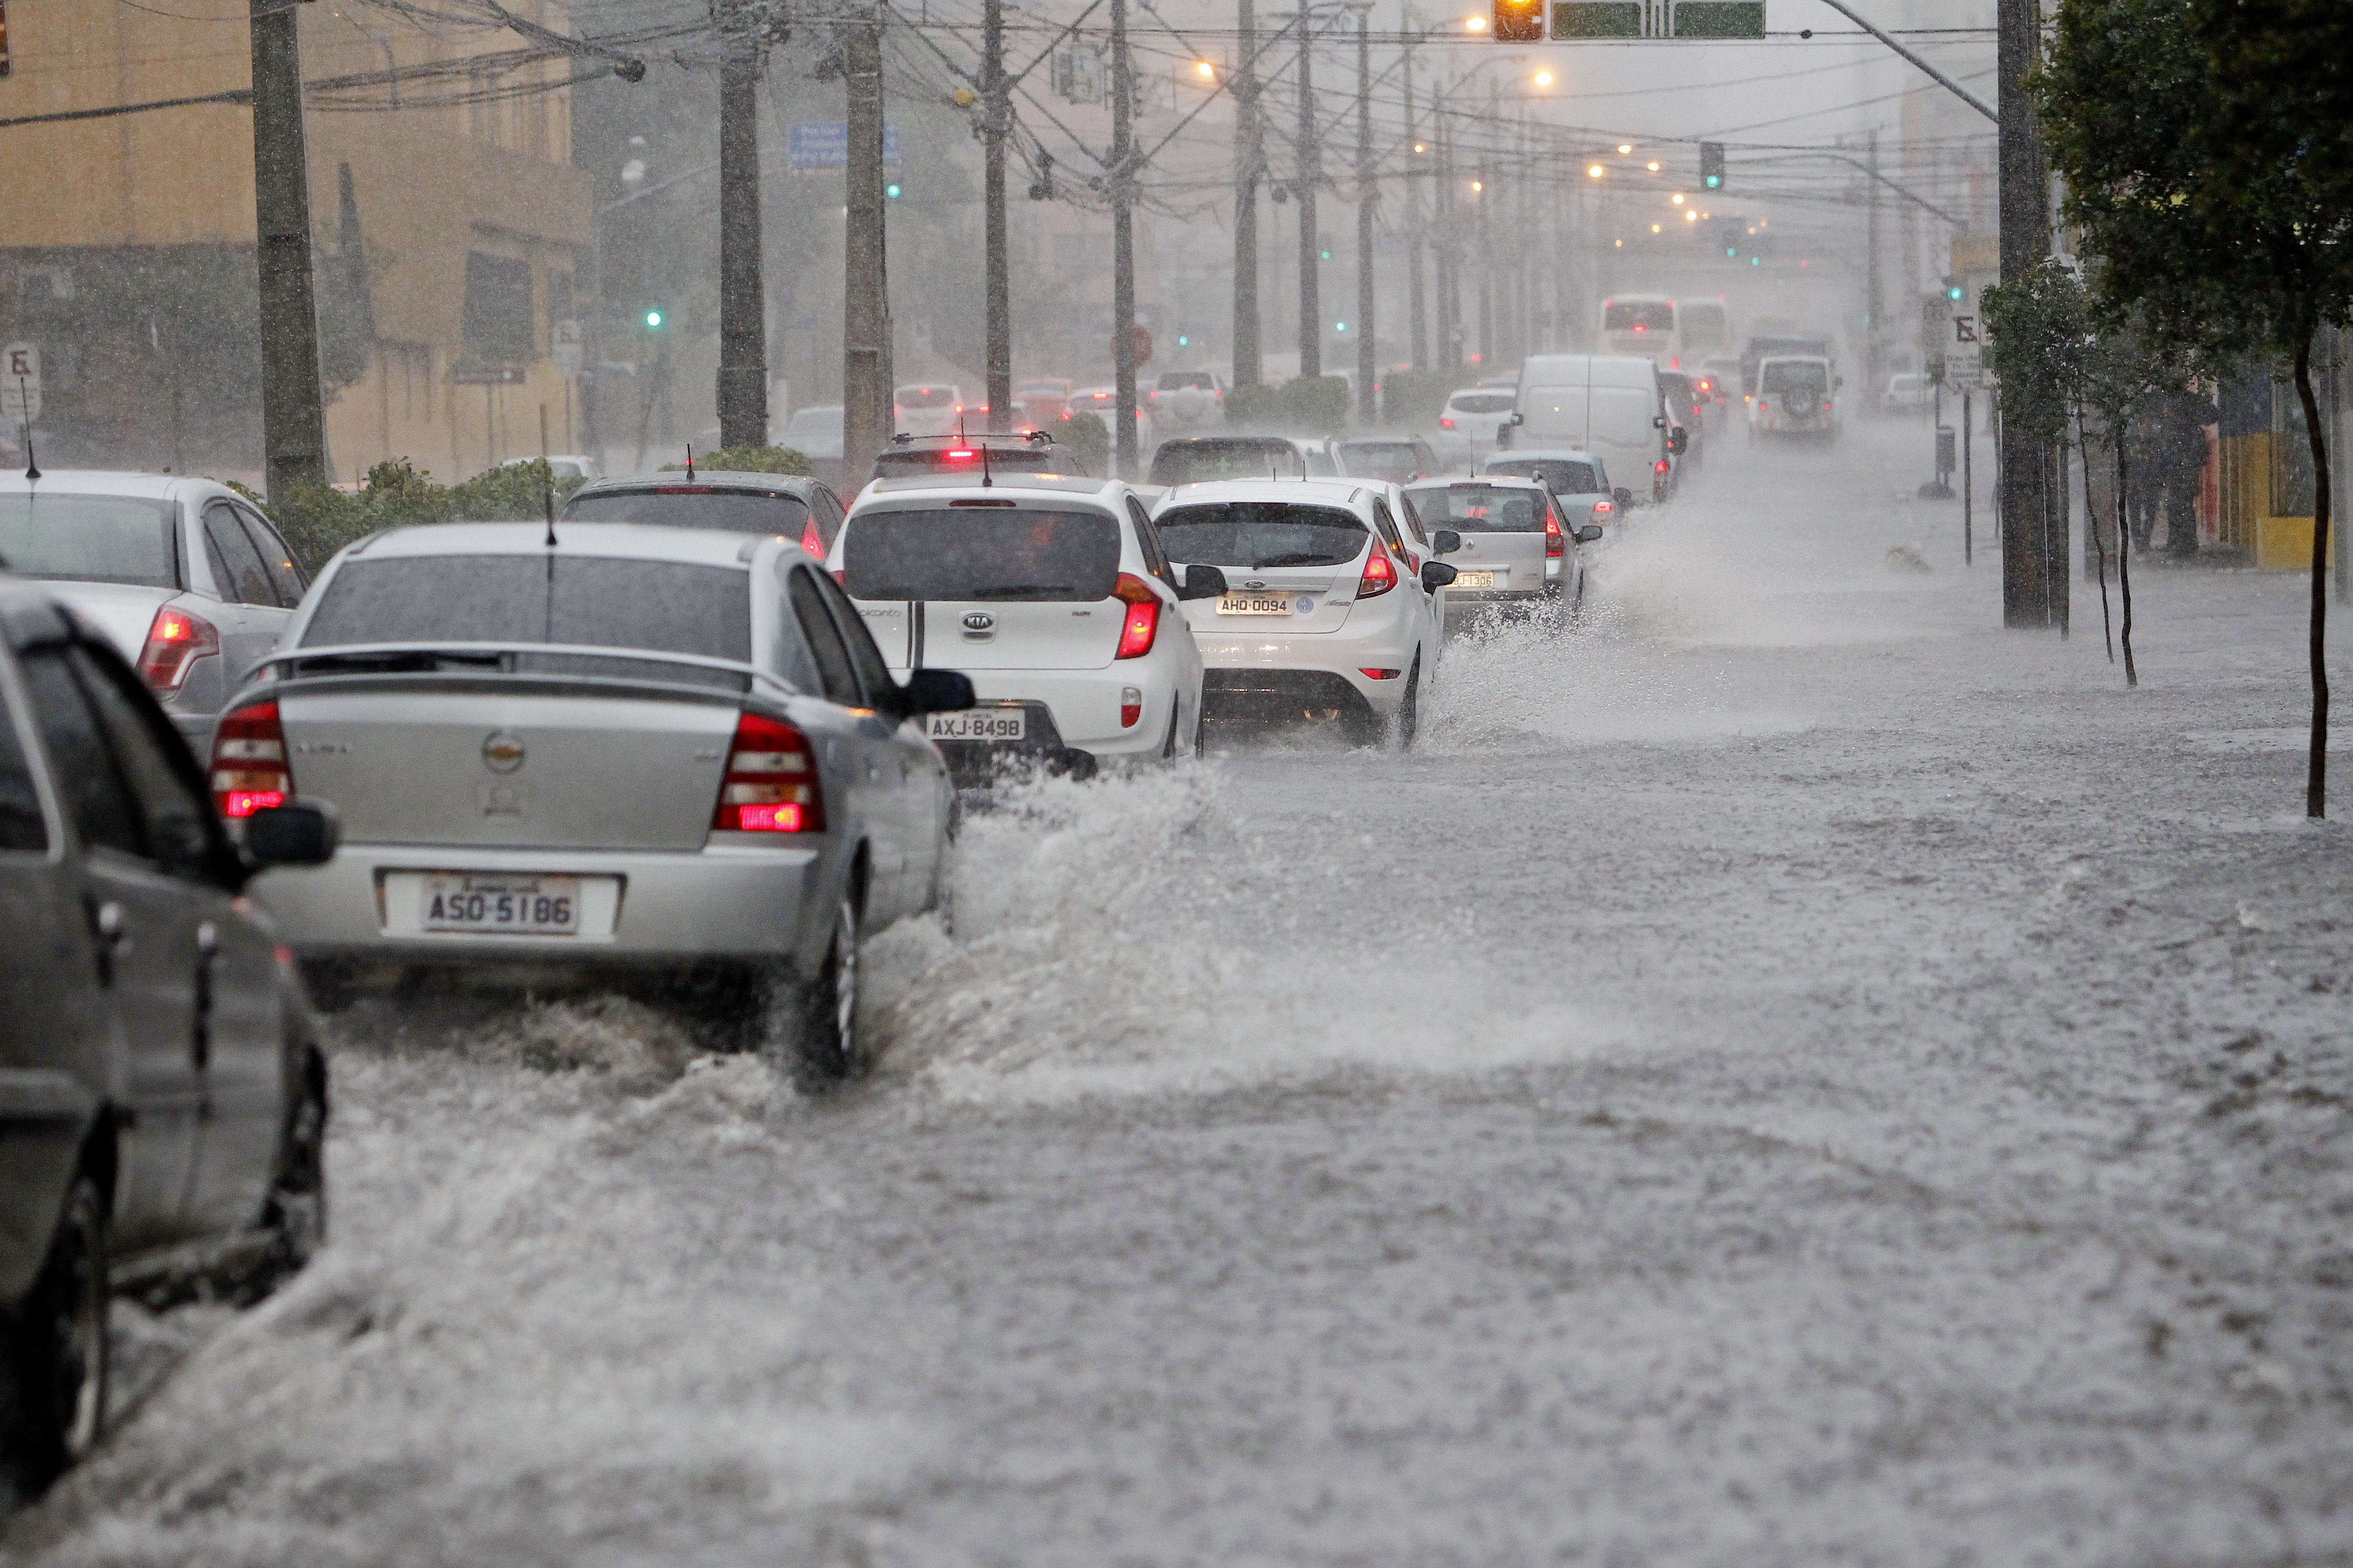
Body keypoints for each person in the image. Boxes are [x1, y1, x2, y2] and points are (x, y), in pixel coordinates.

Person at [2157, 387, 2213, 559]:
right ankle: (2181, 543)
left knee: (2180, 505)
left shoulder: (2185, 428)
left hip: (2183, 467)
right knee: (2179, 505)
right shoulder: (2185, 427)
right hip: (2181, 467)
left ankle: (2184, 543)